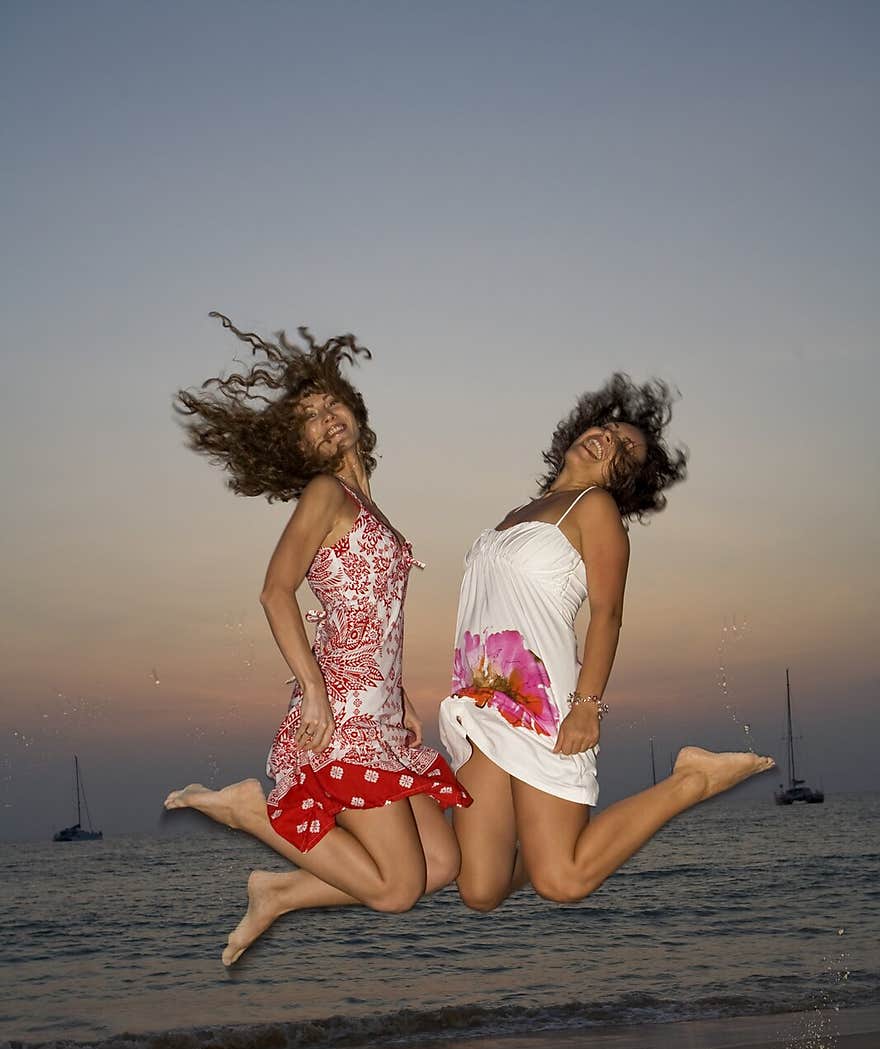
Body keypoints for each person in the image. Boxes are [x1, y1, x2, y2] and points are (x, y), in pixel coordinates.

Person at [165, 314, 470, 963]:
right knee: (395, 890)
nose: (328, 416)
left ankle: (277, 894)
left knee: (442, 864)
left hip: (382, 711)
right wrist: (311, 693)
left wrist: (404, 697)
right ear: (301, 445)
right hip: (343, 715)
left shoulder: (367, 501)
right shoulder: (325, 492)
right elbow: (276, 591)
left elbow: (375, 615)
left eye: (333, 402)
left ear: (354, 408)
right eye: (311, 416)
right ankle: (251, 812)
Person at [438, 373, 774, 912]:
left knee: (562, 882)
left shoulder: (593, 508)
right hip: (479, 706)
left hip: (543, 707)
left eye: (624, 449)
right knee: (480, 890)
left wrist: (587, 706)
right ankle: (553, 847)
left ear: (625, 479)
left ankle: (691, 780)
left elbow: (608, 615)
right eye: (607, 429)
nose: (606, 440)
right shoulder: (514, 516)